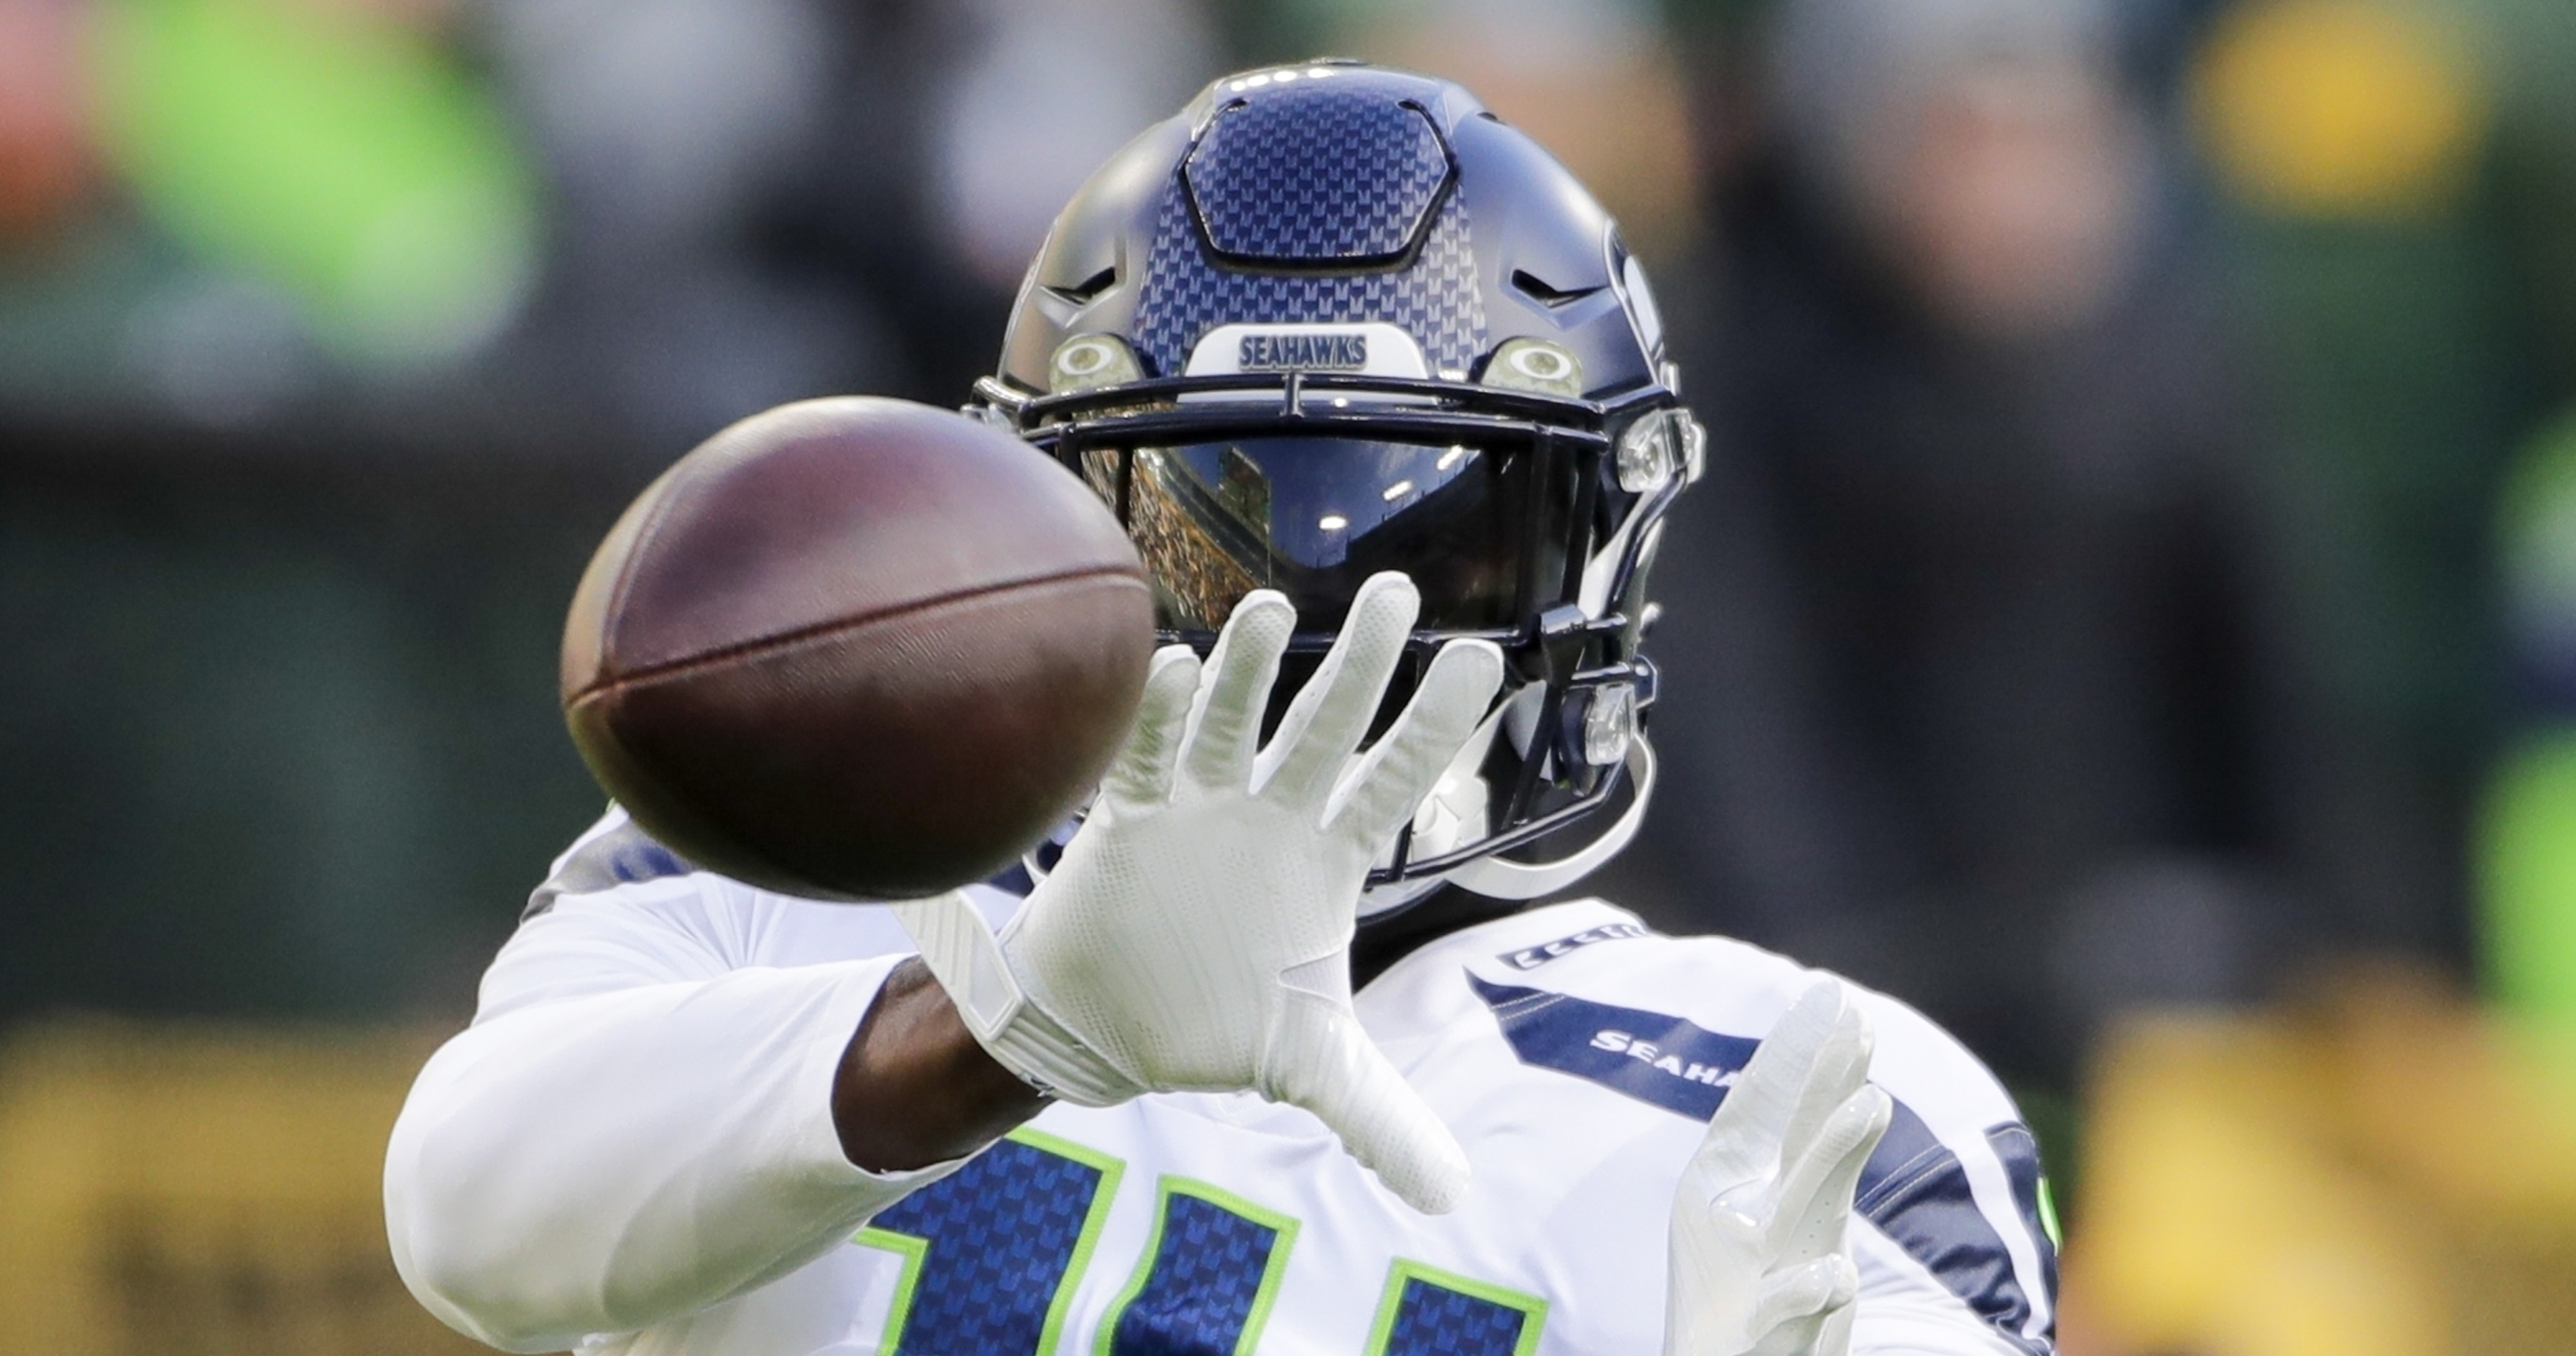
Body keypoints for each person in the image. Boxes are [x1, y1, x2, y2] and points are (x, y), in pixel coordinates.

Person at [384, 64, 2059, 1356]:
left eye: (1432, 535)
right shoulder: (821, 871)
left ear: (1605, 548)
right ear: (1022, 531)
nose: (1313, 617)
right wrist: (1009, 1028)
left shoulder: (1800, 1093)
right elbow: (467, 1208)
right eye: (1208, 529)